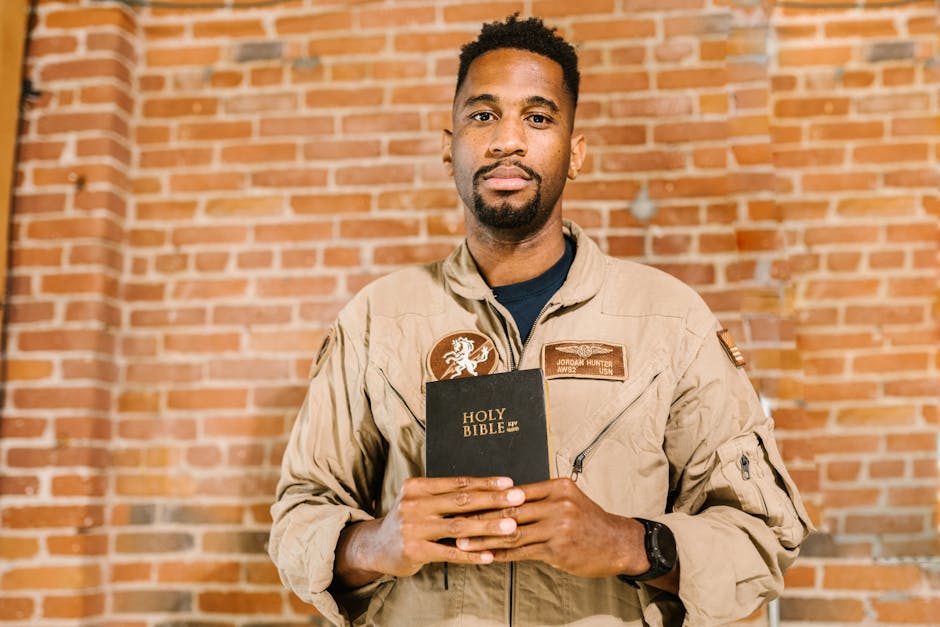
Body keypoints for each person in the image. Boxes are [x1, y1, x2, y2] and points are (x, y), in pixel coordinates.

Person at [269, 14, 812, 627]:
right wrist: (374, 545)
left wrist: (631, 543)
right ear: (447, 146)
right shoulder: (374, 320)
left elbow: (764, 537)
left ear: (575, 152)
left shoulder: (671, 320)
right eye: (482, 116)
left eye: (537, 117)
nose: (508, 140)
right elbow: (298, 518)